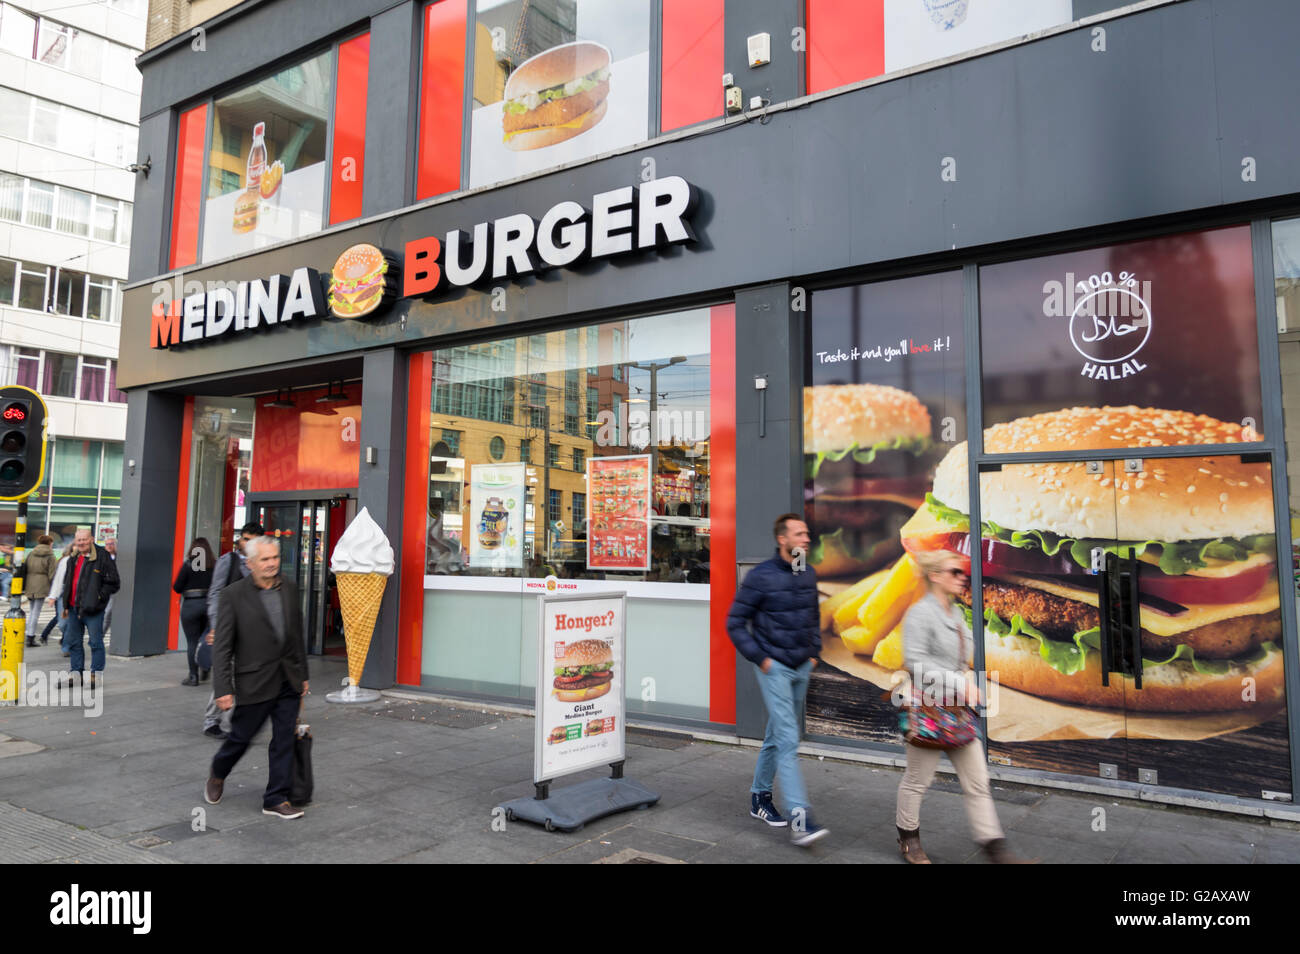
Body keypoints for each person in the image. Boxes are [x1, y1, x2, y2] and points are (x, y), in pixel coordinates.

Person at [895, 550, 1029, 864]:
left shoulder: (955, 614)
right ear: (935, 576)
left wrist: (966, 687)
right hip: (928, 710)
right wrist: (960, 684)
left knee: (978, 780)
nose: (962, 576)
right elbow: (914, 662)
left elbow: (957, 661)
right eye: (954, 571)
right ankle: (908, 840)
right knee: (918, 780)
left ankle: (994, 847)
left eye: (961, 571)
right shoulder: (919, 614)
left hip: (957, 713)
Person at [726, 513, 828, 847]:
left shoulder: (806, 573)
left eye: (807, 533)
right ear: (782, 539)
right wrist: (762, 659)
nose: (807, 539)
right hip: (775, 667)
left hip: (801, 667)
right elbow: (735, 623)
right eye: (800, 534)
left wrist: (814, 652)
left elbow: (812, 615)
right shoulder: (761, 576)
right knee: (788, 739)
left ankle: (759, 797)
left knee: (777, 732)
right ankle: (801, 818)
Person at [203, 535, 309, 819]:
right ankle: (218, 772)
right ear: (250, 564)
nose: (272, 563)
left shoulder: (289, 588)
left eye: (275, 557)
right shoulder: (233, 595)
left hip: (287, 678)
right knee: (241, 738)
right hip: (254, 680)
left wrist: (303, 676)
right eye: (265, 559)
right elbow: (223, 647)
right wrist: (223, 688)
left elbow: (295, 634)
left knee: (284, 738)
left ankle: (275, 798)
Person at [202, 522, 263, 738]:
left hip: (251, 629)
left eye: (252, 539)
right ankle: (219, 722)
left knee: (240, 675)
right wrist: (216, 626)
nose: (247, 543)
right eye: (245, 538)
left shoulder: (261, 564)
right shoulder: (229, 561)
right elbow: (216, 593)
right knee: (228, 674)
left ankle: (218, 720)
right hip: (229, 627)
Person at [61, 529, 120, 688]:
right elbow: (68, 583)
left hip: (93, 610)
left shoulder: (102, 556)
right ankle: (76, 674)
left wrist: (99, 598)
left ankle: (96, 675)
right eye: (78, 540)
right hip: (74, 608)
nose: (81, 543)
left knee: (95, 643)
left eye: (84, 539)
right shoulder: (72, 558)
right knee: (74, 643)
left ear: (91, 539)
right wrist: (65, 604)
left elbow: (114, 582)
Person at [172, 537, 215, 686]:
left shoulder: (188, 565)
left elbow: (177, 587)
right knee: (206, 639)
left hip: (191, 605)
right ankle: (205, 669)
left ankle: (193, 676)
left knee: (192, 641)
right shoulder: (213, 566)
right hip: (208, 605)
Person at [22, 535, 56, 646]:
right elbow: (52, 574)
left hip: (30, 583)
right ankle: (30, 637)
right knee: (36, 612)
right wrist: (54, 589)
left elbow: (25, 567)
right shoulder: (50, 555)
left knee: (32, 611)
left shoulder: (31, 553)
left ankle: (29, 635)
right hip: (42, 583)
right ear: (49, 543)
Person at [43, 549, 72, 652]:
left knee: (69, 620)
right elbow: (57, 578)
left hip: (75, 592)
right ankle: (64, 639)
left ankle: (66, 646)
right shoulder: (63, 561)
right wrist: (53, 595)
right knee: (62, 621)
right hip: (62, 591)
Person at [101, 538, 117, 637]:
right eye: (107, 544)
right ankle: (100, 635)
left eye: (111, 544)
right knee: (106, 614)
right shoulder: (102, 558)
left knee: (108, 613)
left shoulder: (119, 557)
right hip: (105, 589)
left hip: (115, 589)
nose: (109, 546)